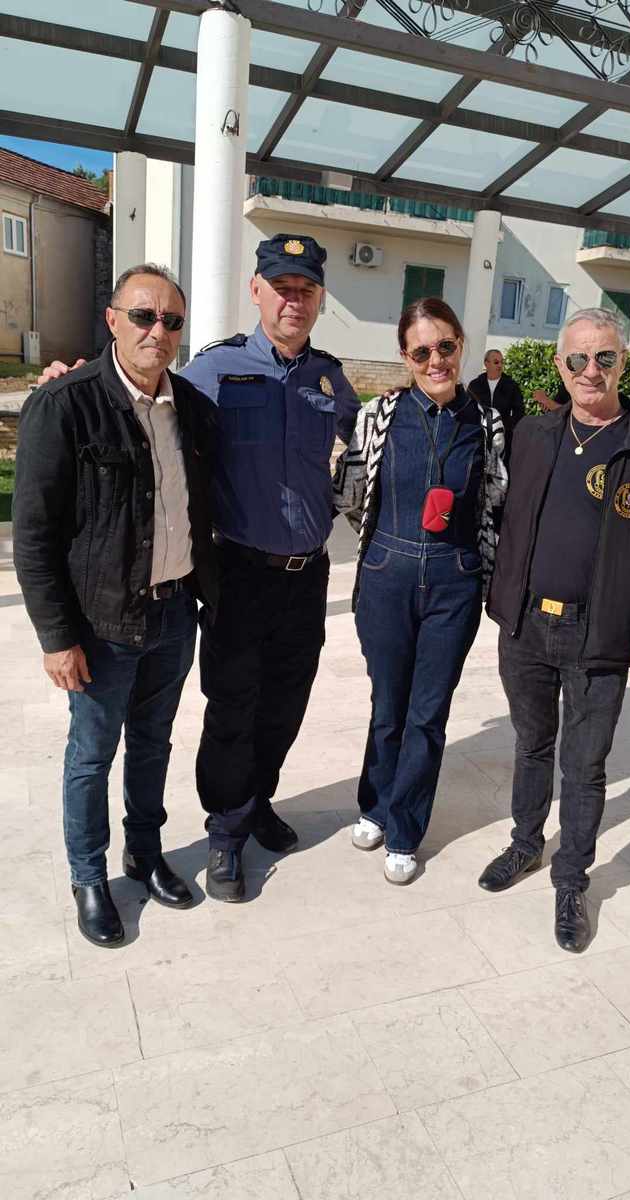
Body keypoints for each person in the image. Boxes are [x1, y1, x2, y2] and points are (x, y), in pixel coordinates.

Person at [14, 264, 218, 947]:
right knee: (92, 755)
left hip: (174, 614)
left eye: (171, 320)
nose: (157, 330)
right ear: (112, 320)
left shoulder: (192, 408)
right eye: (143, 315)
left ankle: (145, 853)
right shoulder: (65, 404)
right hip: (101, 624)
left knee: (153, 744)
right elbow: (34, 535)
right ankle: (88, 877)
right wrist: (56, 637)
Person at [480, 307, 630, 952]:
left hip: (600, 635)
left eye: (605, 357)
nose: (591, 370)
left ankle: (571, 880)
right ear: (560, 365)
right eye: (578, 358)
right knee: (532, 745)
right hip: (526, 627)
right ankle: (525, 844)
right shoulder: (533, 433)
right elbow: (499, 515)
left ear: (623, 362)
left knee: (585, 767)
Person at [181, 233, 360, 901]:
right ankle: (225, 833)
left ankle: (257, 800)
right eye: (281, 287)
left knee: (285, 704)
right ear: (256, 290)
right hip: (241, 572)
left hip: (306, 576)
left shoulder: (330, 379)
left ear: (319, 299)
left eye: (305, 289)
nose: (293, 299)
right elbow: (148, 416)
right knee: (232, 706)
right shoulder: (214, 370)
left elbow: (364, 446)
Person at [333, 298, 507, 885]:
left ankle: (405, 829)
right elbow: (352, 493)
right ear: (405, 357)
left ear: (461, 345)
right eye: (422, 351)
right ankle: (375, 806)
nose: (436, 361)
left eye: (446, 347)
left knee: (427, 714)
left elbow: (495, 503)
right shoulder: (378, 415)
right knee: (388, 706)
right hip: (388, 574)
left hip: (454, 582)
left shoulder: (487, 424)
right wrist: (384, 549)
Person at [469, 348, 524, 462]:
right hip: (479, 437)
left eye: (501, 362)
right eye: (496, 362)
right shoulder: (475, 385)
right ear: (486, 363)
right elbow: (468, 409)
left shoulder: (511, 385)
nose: (500, 365)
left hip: (503, 438)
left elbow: (519, 411)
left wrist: (506, 427)